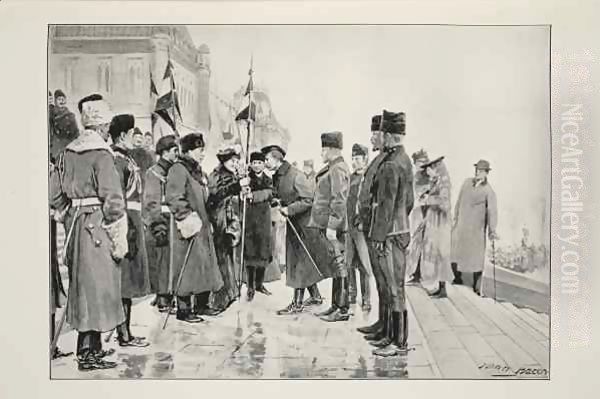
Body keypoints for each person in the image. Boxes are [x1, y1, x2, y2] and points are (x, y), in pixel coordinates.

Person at [50, 94, 127, 371]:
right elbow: (113, 199)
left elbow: (54, 193)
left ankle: (93, 347)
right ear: (103, 126)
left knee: (84, 288)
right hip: (99, 226)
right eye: (107, 126)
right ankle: (86, 353)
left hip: (76, 226)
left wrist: (68, 213)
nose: (108, 131)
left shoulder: (68, 152)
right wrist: (117, 231)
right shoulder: (102, 154)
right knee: (97, 289)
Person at [368, 110, 413, 357]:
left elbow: (385, 206)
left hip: (390, 235)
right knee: (396, 287)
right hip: (400, 231)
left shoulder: (391, 165)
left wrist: (378, 237)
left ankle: (398, 342)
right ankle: (393, 338)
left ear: (387, 135)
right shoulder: (405, 160)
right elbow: (409, 202)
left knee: (395, 288)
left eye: (381, 134)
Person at [166, 133, 224, 322]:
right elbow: (174, 197)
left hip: (203, 226)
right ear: (189, 150)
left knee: (203, 265)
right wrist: (187, 218)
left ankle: (202, 304)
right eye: (200, 150)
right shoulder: (178, 169)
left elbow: (208, 197)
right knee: (187, 267)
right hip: (188, 227)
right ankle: (183, 309)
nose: (203, 154)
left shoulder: (199, 172)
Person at [262, 144, 326, 315]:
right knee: (302, 262)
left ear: (276, 159)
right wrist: (277, 202)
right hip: (294, 224)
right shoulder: (279, 175)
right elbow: (283, 194)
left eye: (267, 159)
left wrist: (289, 209)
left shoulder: (296, 175)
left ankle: (297, 304)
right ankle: (316, 296)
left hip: (304, 225)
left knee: (298, 263)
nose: (265, 162)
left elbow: (308, 199)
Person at [109, 114, 152, 348]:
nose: (133, 137)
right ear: (123, 135)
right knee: (124, 280)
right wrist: (127, 228)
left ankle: (126, 331)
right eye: (130, 133)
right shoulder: (117, 160)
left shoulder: (127, 159)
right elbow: (118, 197)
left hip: (134, 219)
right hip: (125, 221)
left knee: (129, 280)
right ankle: (123, 334)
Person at [355, 114, 391, 341]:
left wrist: (378, 228)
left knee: (388, 283)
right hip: (369, 228)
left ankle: (391, 332)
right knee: (380, 281)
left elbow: (393, 202)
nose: (371, 138)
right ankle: (382, 324)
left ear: (385, 136)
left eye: (375, 134)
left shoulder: (389, 162)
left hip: (382, 232)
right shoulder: (380, 159)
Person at [308, 132, 351, 322]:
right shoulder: (333, 167)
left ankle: (342, 309)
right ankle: (336, 305)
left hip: (336, 227)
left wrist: (333, 225)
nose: (321, 153)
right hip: (330, 224)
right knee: (336, 265)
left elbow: (339, 199)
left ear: (332, 149)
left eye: (323, 149)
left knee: (340, 265)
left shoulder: (338, 169)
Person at [207, 147, 248, 311]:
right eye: (232, 161)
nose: (234, 163)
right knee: (221, 258)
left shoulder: (232, 175)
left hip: (230, 220)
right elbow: (215, 196)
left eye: (236, 161)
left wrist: (242, 190)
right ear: (223, 161)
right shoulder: (215, 176)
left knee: (229, 256)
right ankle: (219, 298)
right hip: (218, 221)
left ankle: (230, 293)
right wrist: (236, 186)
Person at [451, 159, 498, 295]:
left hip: (476, 229)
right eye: (477, 169)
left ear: (486, 173)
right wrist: (456, 218)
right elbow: (459, 201)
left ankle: (477, 286)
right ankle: (457, 277)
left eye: (482, 171)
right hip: (461, 225)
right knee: (455, 252)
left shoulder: (489, 191)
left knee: (476, 257)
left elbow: (492, 212)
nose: (478, 172)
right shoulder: (466, 183)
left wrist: (492, 230)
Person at [143, 135, 179, 313]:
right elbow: (151, 202)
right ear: (164, 152)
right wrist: (158, 225)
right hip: (162, 221)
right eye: (174, 151)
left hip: (175, 221)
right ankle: (163, 297)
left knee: (172, 260)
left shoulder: (175, 171)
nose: (177, 154)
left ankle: (169, 294)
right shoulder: (153, 173)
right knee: (162, 260)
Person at [416, 156, 454, 298]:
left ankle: (443, 288)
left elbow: (445, 204)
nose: (428, 172)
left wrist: (428, 200)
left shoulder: (444, 182)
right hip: (434, 221)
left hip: (441, 223)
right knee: (436, 253)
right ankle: (439, 286)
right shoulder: (436, 181)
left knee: (441, 253)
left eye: (430, 169)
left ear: (436, 168)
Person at [243, 151, 278, 301]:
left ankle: (259, 284)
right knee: (251, 252)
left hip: (264, 219)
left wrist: (255, 196)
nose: (257, 165)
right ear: (250, 164)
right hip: (250, 219)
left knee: (264, 251)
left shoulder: (268, 179)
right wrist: (244, 191)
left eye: (259, 162)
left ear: (264, 164)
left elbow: (271, 193)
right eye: (254, 162)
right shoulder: (246, 179)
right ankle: (250, 286)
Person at [346, 143, 373, 312]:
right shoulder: (350, 178)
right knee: (349, 263)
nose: (355, 162)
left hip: (362, 229)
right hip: (349, 227)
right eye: (353, 159)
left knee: (364, 265)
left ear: (365, 160)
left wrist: (364, 221)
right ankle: (351, 294)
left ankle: (366, 299)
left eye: (358, 159)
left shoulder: (370, 178)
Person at [406, 149, 431, 285]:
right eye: (418, 163)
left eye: (423, 163)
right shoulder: (412, 177)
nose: (420, 166)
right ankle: (414, 274)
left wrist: (426, 196)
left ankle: (421, 274)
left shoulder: (429, 178)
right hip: (415, 212)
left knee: (425, 244)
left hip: (426, 213)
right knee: (415, 243)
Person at [50, 89, 79, 163]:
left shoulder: (70, 116)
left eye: (63, 99)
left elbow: (75, 133)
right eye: (59, 99)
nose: (62, 101)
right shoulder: (50, 114)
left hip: (66, 146)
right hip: (53, 147)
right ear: (55, 101)